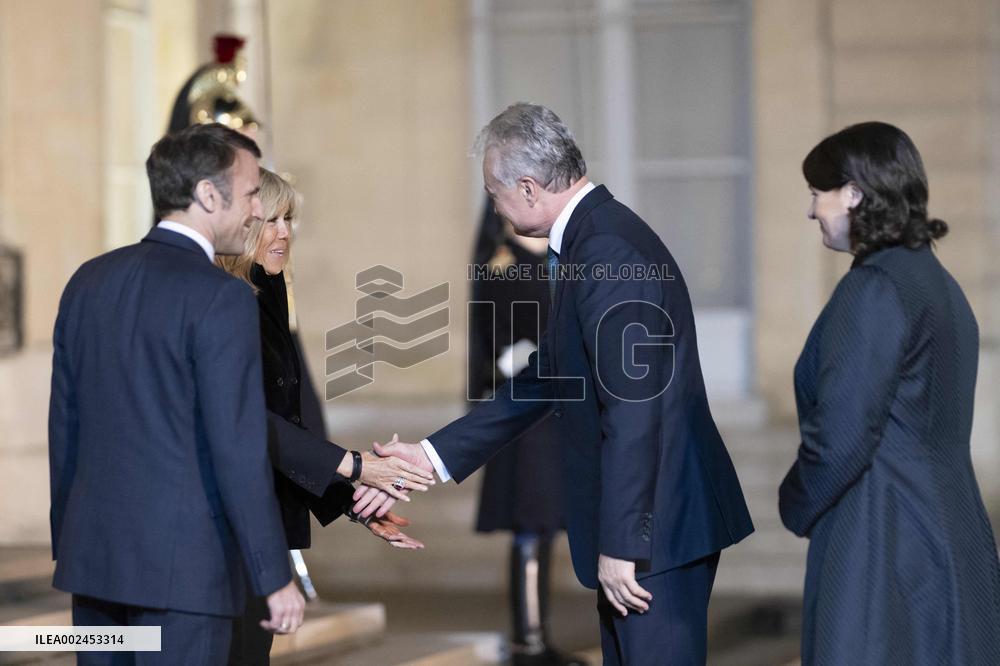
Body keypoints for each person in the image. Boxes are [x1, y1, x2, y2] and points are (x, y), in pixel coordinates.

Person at [377, 102, 754, 665]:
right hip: (652, 523)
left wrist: (623, 544)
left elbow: (633, 409)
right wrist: (430, 456)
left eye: (495, 192)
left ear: (528, 189)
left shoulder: (606, 249)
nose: (494, 208)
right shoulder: (590, 238)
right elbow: (548, 376)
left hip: (657, 530)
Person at [48, 124, 303, 664]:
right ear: (209, 195)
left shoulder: (87, 281)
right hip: (185, 576)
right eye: (252, 194)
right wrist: (273, 576)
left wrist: (67, 545)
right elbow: (238, 448)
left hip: (92, 565)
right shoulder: (222, 297)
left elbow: (64, 429)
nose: (258, 211)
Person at [778, 121, 1000, 665]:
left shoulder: (875, 287)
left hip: (882, 538)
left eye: (818, 192)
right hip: (950, 531)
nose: (811, 210)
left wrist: (794, 502)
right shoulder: (938, 284)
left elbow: (841, 434)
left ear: (854, 194)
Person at [218, 168, 426, 664]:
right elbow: (251, 423)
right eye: (272, 220)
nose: (284, 233)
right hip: (227, 529)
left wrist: (352, 500)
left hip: (262, 529)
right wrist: (356, 467)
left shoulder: (268, 292)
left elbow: (286, 424)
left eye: (289, 220)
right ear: (244, 224)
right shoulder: (225, 303)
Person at [468, 202, 580, 666]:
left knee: (548, 524)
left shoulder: (560, 257)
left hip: (559, 412)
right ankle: (528, 641)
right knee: (531, 524)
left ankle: (536, 638)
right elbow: (496, 346)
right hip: (525, 413)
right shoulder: (502, 262)